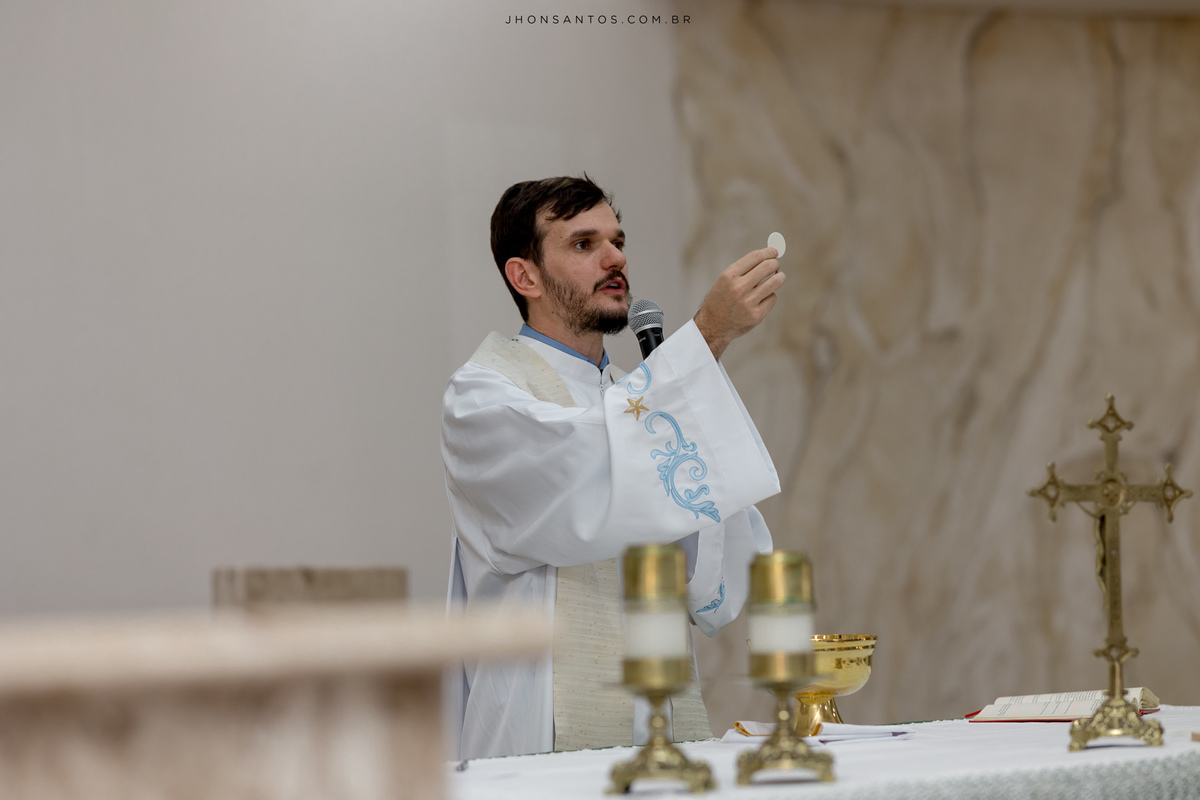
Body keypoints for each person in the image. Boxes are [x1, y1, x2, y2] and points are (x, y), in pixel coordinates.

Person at [443, 175, 785, 760]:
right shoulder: (482, 398)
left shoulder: (637, 398)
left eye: (618, 241)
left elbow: (714, 585)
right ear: (525, 277)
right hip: (540, 736)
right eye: (584, 244)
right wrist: (704, 340)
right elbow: (585, 473)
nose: (615, 258)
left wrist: (678, 394)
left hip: (659, 728)